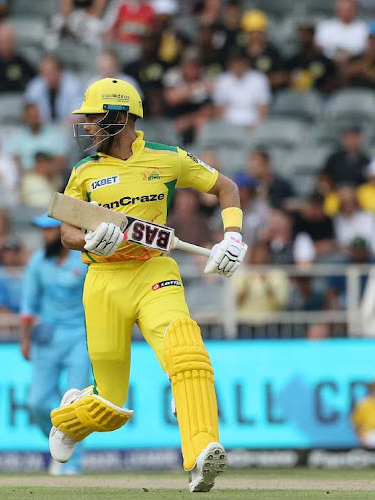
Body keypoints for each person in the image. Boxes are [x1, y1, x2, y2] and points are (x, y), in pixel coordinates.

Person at [52, 78, 247, 492]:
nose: (86, 126)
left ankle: (201, 453)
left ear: (120, 118)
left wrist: (232, 237)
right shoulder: (84, 171)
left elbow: (227, 188)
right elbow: (65, 232)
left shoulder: (168, 159)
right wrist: (87, 241)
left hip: (154, 270)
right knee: (110, 404)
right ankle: (70, 417)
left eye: (93, 117)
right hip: (104, 281)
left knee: (188, 357)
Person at [20, 214, 91, 475]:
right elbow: (29, 305)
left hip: (80, 338)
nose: (45, 236)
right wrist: (25, 338)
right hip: (47, 337)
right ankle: (59, 444)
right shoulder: (38, 262)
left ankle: (72, 463)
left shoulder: (83, 260)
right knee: (37, 402)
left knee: (77, 404)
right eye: (43, 231)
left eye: (50, 231)